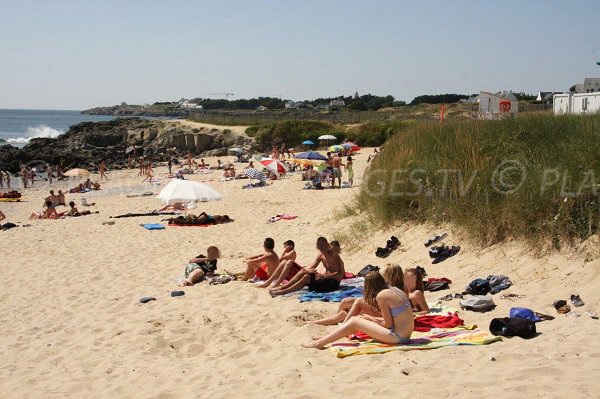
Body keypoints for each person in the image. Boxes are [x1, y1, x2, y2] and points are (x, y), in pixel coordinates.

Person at [302, 270, 414, 349]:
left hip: (398, 337)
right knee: (359, 318)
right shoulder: (394, 290)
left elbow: (388, 324)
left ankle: (319, 343)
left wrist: (370, 318)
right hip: (405, 335)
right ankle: (328, 337)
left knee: (355, 321)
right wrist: (369, 318)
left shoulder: (382, 296)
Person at [308, 263, 405, 326]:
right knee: (345, 303)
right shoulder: (393, 288)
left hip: (385, 314)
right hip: (381, 310)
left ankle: (339, 321)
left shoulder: (397, 290)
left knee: (351, 309)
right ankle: (340, 320)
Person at [269, 237, 345, 296]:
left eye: (324, 245)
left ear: (328, 245)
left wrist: (324, 276)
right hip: (324, 279)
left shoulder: (334, 256)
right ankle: (283, 287)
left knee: (306, 278)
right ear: (317, 246)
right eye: (320, 246)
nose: (322, 247)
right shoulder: (320, 256)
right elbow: (312, 267)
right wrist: (308, 270)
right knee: (304, 272)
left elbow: (340, 274)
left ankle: (283, 291)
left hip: (333, 283)